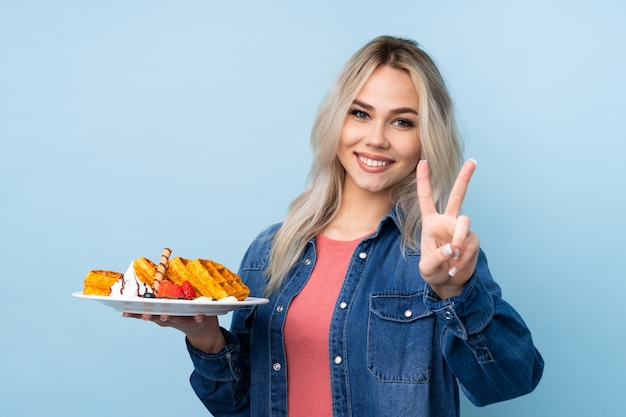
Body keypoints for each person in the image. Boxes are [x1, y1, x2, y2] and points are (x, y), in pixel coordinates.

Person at [127, 35, 544, 416]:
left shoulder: (440, 259)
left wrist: (456, 292)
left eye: (402, 121)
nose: (376, 138)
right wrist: (206, 339)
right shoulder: (270, 253)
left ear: (426, 137)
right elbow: (238, 408)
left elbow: (510, 381)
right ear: (337, 121)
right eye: (361, 113)